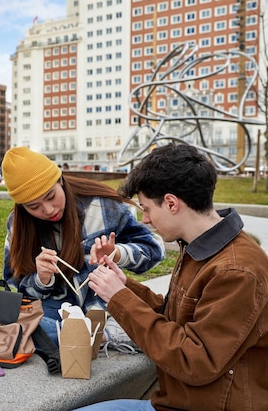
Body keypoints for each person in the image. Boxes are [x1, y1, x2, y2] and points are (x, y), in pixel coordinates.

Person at [74, 143, 268, 411]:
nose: (145, 220)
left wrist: (119, 298)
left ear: (171, 203)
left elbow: (196, 360)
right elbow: (173, 318)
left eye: (147, 209)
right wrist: (124, 287)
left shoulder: (236, 271)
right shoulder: (204, 247)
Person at [1, 147, 166, 344]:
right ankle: (91, 336)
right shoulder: (18, 225)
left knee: (29, 331)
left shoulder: (103, 206)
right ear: (22, 207)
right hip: (52, 311)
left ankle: (92, 334)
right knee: (22, 322)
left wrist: (118, 253)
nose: (48, 209)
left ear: (60, 180)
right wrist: (41, 280)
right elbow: (15, 288)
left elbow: (155, 249)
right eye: (33, 206)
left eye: (51, 196)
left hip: (103, 309)